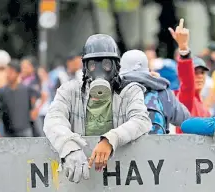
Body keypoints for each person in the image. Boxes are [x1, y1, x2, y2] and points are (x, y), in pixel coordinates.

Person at [43, 34, 151, 183]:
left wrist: (110, 139)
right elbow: (53, 120)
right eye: (93, 64)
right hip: (83, 183)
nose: (100, 70)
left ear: (116, 66)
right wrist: (70, 147)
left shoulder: (129, 91)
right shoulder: (69, 91)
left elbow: (141, 121)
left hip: (121, 180)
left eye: (106, 64)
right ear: (85, 67)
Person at [119, 49, 190, 134]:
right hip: (158, 146)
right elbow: (185, 119)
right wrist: (159, 83)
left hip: (123, 145)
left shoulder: (114, 90)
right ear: (147, 68)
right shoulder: (162, 90)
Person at [169, 19, 211, 133]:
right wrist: (183, 48)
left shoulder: (203, 107)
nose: (199, 76)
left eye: (202, 72)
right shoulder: (185, 98)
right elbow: (187, 84)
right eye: (195, 72)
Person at [0, 60, 40, 137]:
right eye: (7, 72)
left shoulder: (26, 90)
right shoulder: (2, 92)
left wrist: (35, 109)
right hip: (8, 133)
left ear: (18, 73)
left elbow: (36, 99)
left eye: (11, 72)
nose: (8, 75)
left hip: (25, 131)